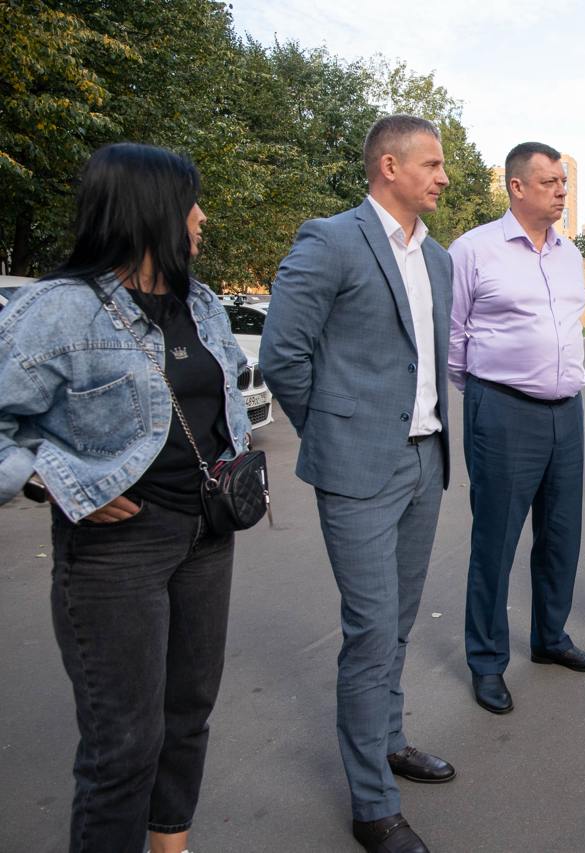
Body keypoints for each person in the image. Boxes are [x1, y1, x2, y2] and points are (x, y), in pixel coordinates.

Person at [0, 143, 251, 852]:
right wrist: (51, 476)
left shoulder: (201, 301)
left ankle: (171, 844)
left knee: (188, 713)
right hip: (118, 550)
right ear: (153, 209)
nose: (202, 217)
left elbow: (226, 387)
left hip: (207, 537)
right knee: (125, 743)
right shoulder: (59, 309)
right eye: (192, 202)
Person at [261, 115, 455, 853]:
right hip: (359, 469)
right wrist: (335, 434)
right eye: (431, 164)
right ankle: (372, 806)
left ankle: (390, 740)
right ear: (389, 166)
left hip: (425, 462)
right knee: (370, 630)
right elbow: (284, 355)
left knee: (398, 621)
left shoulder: (435, 258)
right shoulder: (331, 240)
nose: (442, 177)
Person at [448, 141, 585, 715]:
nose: (561, 191)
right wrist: (486, 394)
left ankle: (550, 638)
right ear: (516, 187)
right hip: (503, 409)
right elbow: (453, 335)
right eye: (549, 182)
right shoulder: (473, 250)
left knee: (562, 535)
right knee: (496, 541)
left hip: (567, 410)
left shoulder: (569, 254)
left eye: (564, 182)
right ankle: (487, 661)